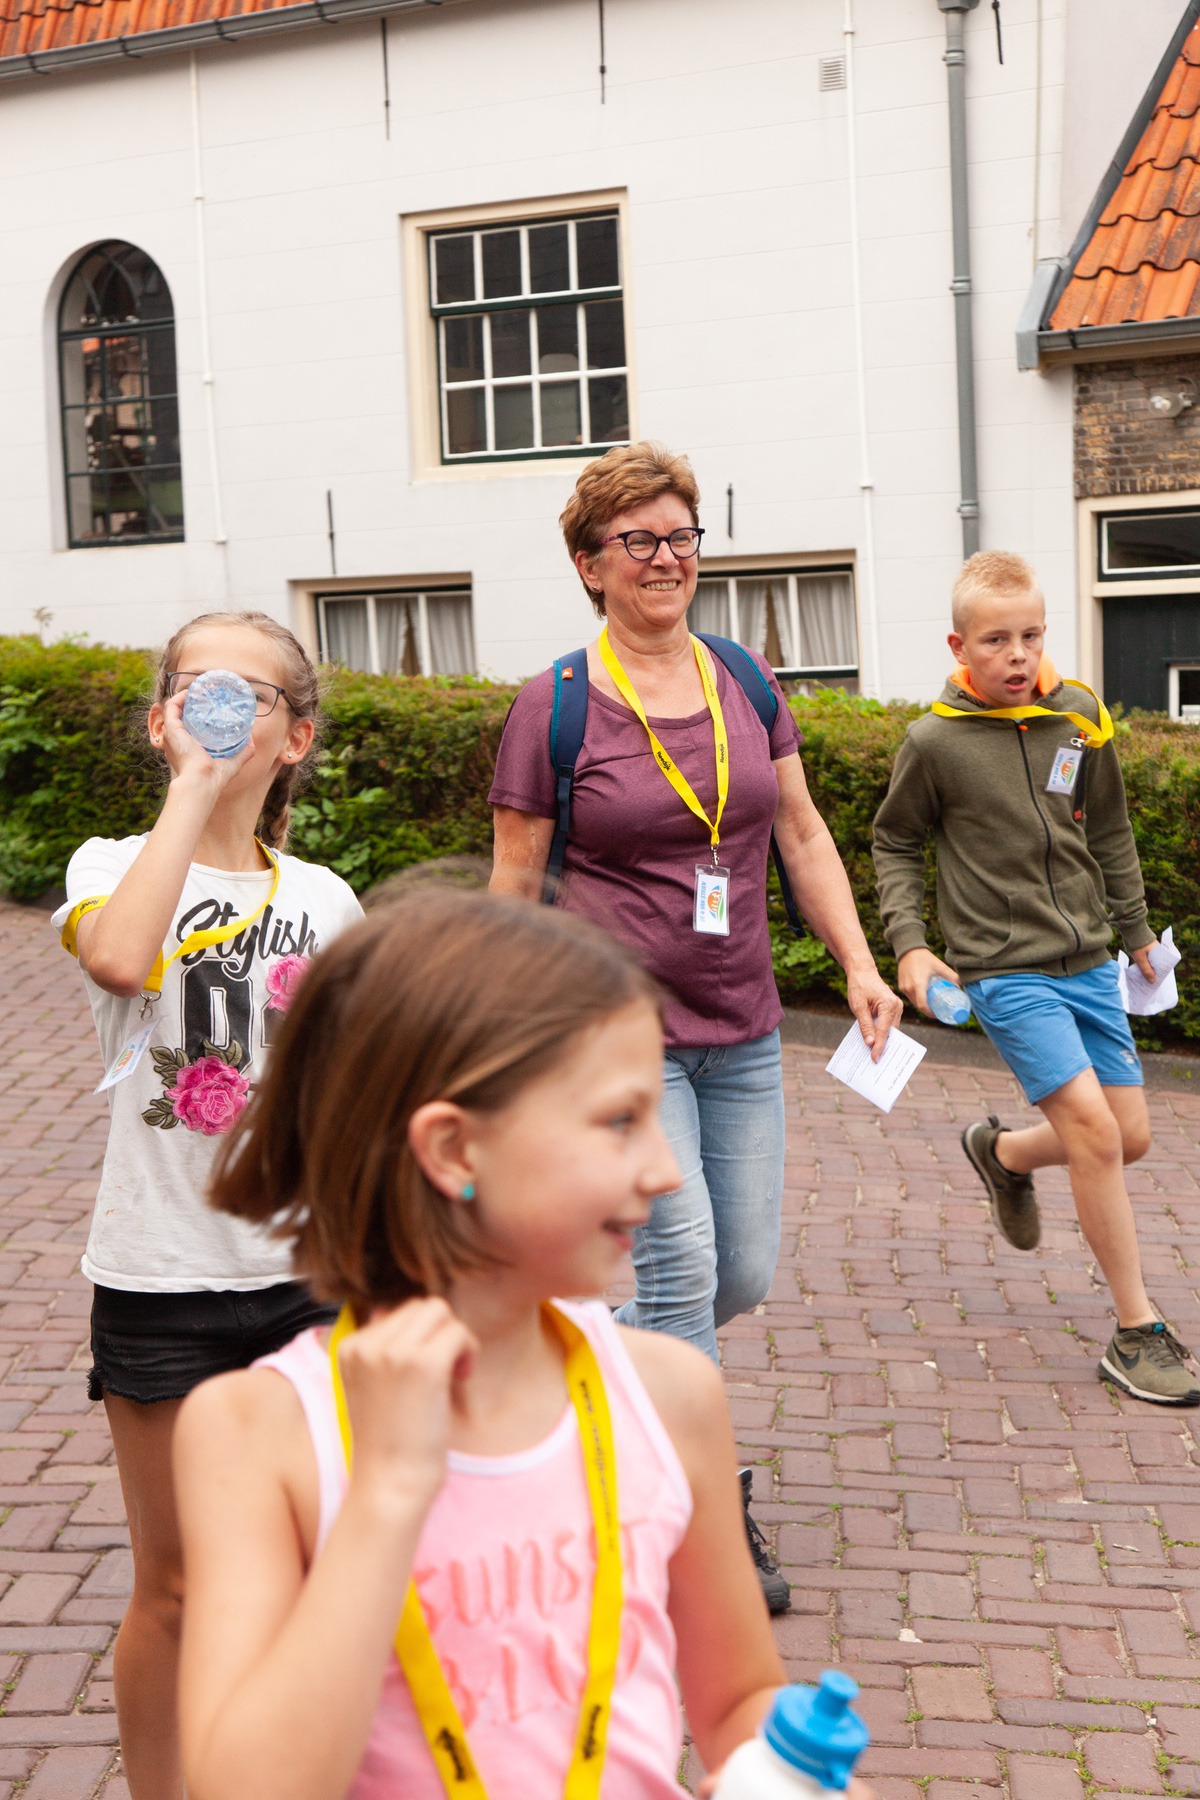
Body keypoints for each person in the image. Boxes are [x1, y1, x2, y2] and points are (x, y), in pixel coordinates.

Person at [173, 891, 876, 1800]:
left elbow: (739, 1699)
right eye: (619, 1121)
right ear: (454, 1150)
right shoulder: (256, 1433)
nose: (665, 1170)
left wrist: (787, 1778)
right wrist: (386, 1493)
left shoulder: (668, 1395)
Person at [489, 441, 901, 1612]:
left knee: (741, 1268)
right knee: (679, 1266)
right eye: (638, 541)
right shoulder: (556, 706)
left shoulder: (745, 680)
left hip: (744, 1025)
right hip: (614, 1039)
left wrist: (859, 963)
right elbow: (514, 883)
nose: (665, 558)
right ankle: (702, 1515)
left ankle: (581, 1376)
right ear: (591, 565)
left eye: (681, 536)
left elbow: (802, 834)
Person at [52, 612, 364, 1799]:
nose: (223, 711)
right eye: (197, 691)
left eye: (252, 696)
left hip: (307, 1278)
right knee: (178, 1585)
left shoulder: (327, 898)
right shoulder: (108, 867)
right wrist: (193, 787)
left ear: (297, 738)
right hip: (161, 1275)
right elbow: (121, 960)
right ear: (160, 719)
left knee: (310, 1564)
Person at [873, 549, 1197, 1406]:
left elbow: (1109, 829)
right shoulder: (933, 743)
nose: (1017, 654)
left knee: (1129, 1136)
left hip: (1088, 959)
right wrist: (910, 944)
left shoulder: (1079, 715)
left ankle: (1004, 1153)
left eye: (1031, 636)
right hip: (1002, 968)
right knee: (1093, 1132)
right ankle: (1135, 1332)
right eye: (996, 640)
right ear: (959, 646)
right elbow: (896, 841)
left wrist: (1135, 932)